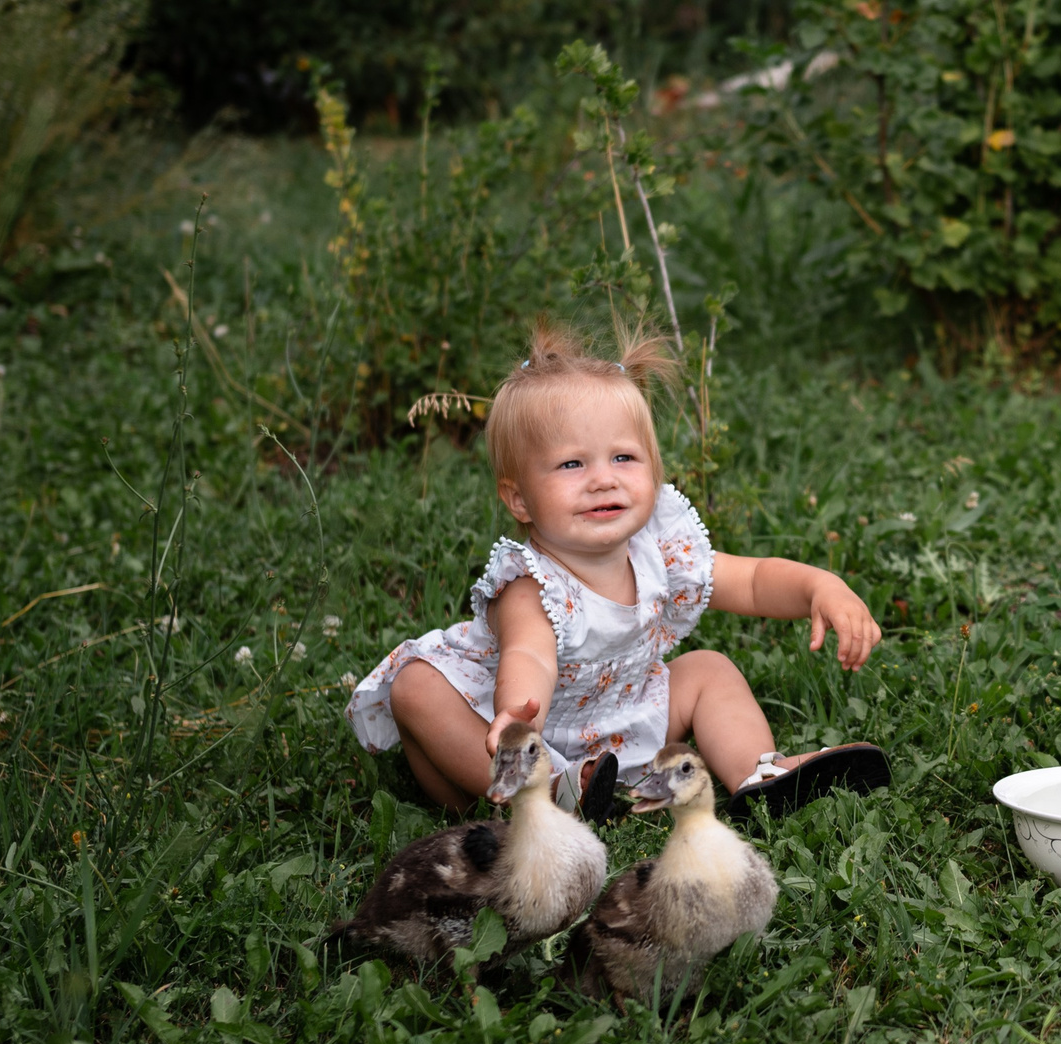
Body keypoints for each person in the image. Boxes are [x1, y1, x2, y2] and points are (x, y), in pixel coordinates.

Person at [347, 320, 889, 818]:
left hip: (626, 723)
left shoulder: (660, 552)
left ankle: (760, 773)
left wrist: (822, 586)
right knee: (416, 687)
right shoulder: (531, 583)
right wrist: (516, 715)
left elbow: (748, 580)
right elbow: (528, 654)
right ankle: (554, 789)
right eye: (571, 464)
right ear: (519, 500)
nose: (603, 479)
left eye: (623, 458)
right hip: (510, 751)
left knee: (709, 670)